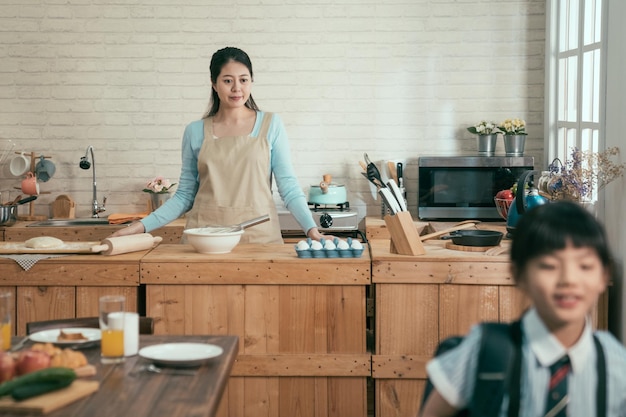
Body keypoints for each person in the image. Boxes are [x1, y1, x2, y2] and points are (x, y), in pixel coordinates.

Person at [419, 201, 626, 417]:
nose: (568, 279)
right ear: (519, 274)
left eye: (584, 266)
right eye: (549, 266)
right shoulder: (486, 351)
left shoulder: (616, 363)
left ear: (604, 276)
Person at [112, 47, 324, 243]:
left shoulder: (271, 125)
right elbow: (185, 196)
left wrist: (311, 229)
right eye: (228, 81)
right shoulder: (194, 131)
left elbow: (288, 187)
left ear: (251, 81)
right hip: (204, 239)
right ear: (214, 83)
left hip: (259, 237)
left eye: (243, 80)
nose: (236, 88)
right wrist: (140, 227)